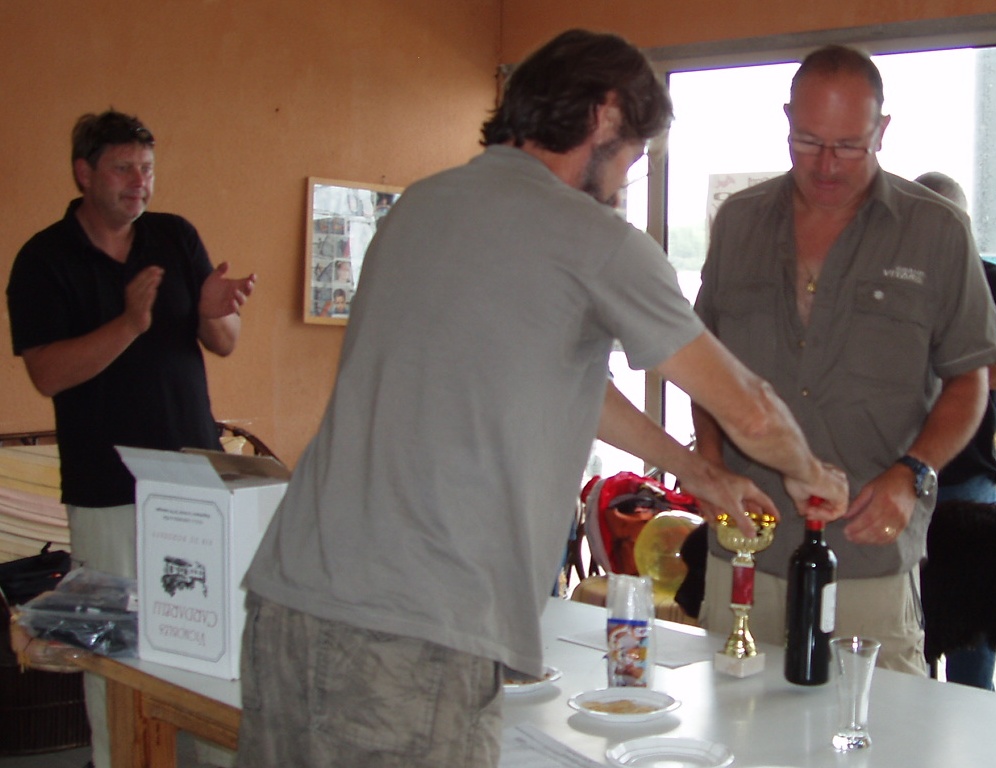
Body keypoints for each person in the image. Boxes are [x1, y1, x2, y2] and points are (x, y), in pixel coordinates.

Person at [238, 29, 848, 768]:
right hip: (415, 634)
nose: (623, 183)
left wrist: (696, 471)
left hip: (288, 600)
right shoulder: (594, 239)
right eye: (632, 157)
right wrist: (810, 472)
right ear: (603, 115)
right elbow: (748, 407)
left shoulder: (420, 206)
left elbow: (565, 377)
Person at [692, 45, 996, 675]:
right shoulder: (738, 223)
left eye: (848, 146)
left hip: (868, 552)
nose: (827, 165)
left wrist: (913, 472)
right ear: (787, 119)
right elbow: (704, 362)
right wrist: (707, 463)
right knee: (733, 718)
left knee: (873, 723)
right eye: (808, 142)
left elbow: (969, 380)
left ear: (882, 130)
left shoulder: (937, 231)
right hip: (746, 543)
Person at [6, 109, 255, 768]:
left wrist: (217, 312)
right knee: (114, 645)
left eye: (146, 169)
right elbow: (47, 373)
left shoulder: (174, 236)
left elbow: (223, 343)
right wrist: (129, 323)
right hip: (108, 488)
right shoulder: (43, 259)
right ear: (84, 173)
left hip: (196, 483)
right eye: (123, 168)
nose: (139, 182)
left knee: (210, 636)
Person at [915, 170, 996, 689]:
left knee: (979, 633)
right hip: (897, 476)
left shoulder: (995, 283)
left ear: (963, 223)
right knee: (910, 627)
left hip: (967, 475)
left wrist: (940, 378)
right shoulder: (899, 283)